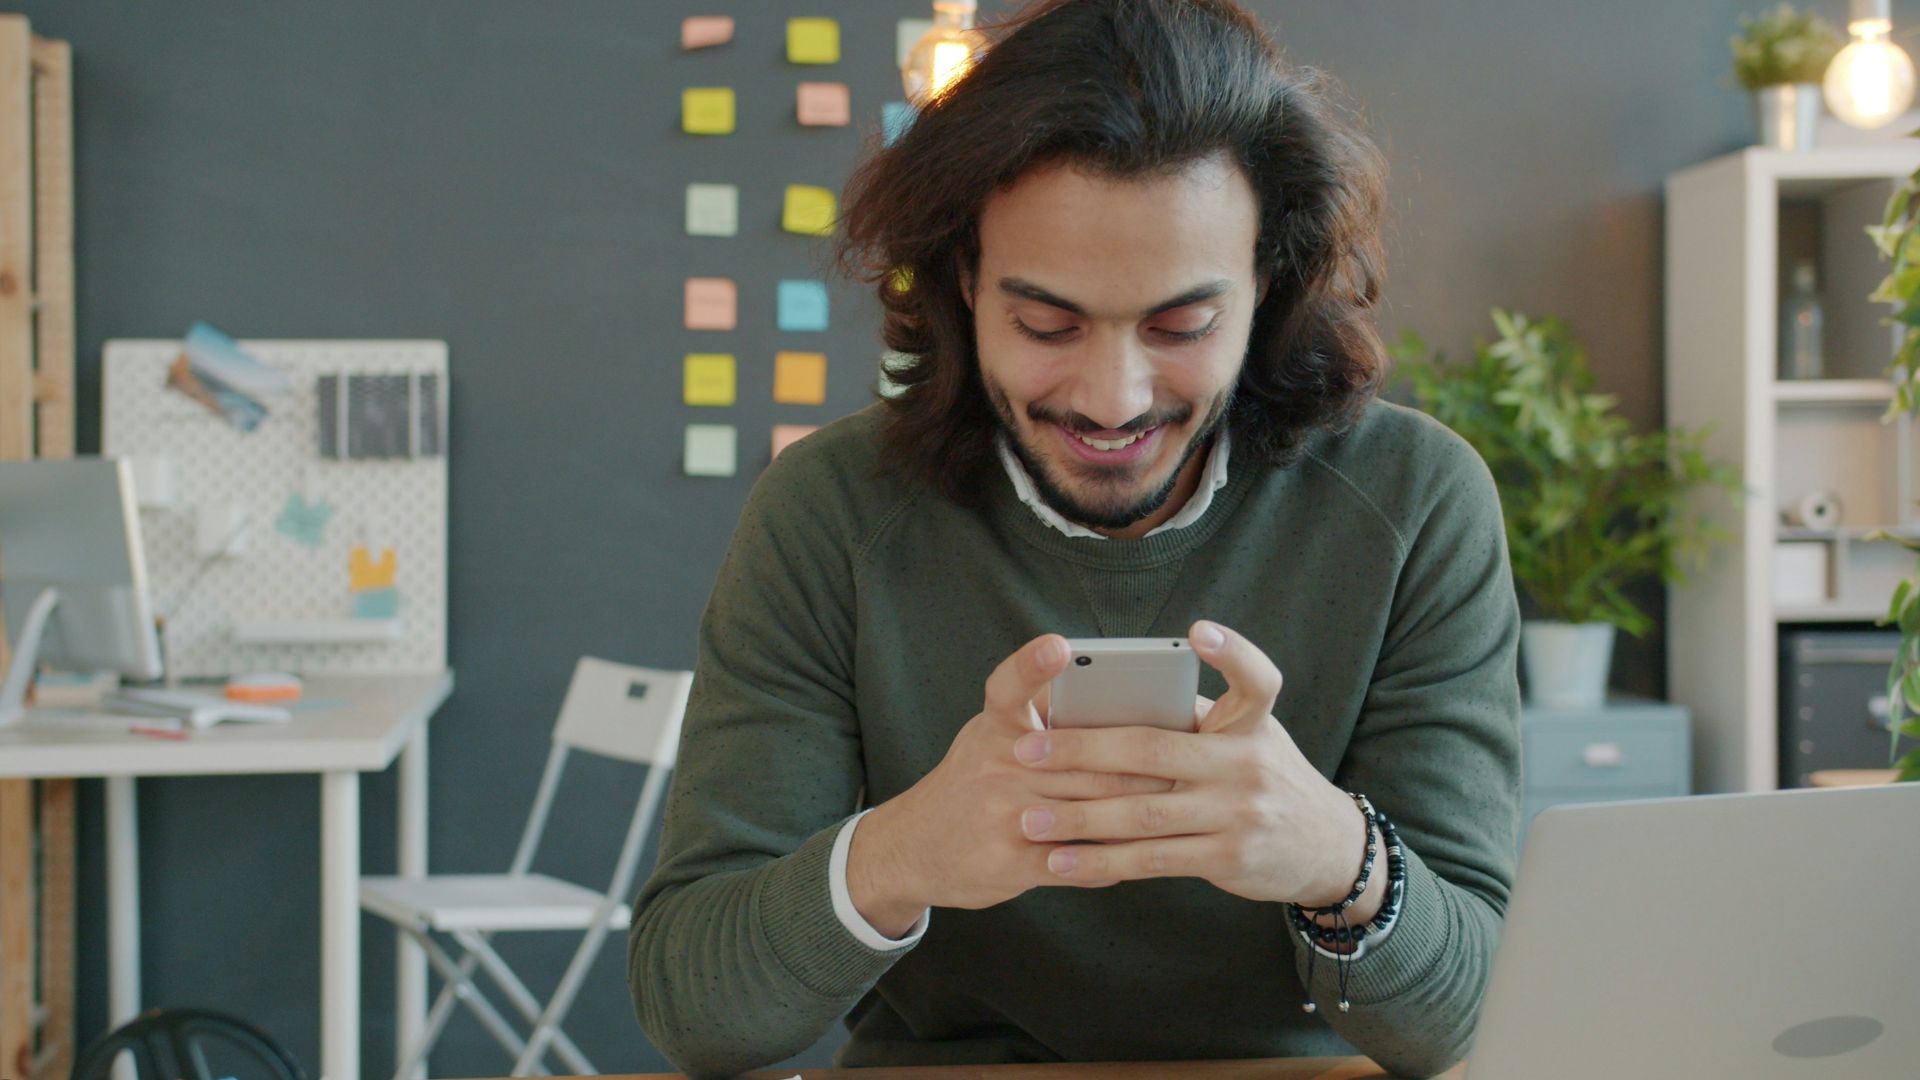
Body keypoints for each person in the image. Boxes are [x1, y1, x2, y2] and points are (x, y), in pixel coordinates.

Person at [629, 1, 1520, 1076]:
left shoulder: (1415, 502)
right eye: (1046, 325)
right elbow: (694, 1013)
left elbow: (1466, 1020)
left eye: (1180, 327)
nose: (1112, 399)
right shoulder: (830, 511)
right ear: (962, 281)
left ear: (1269, 284)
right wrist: (904, 852)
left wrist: (1336, 856)